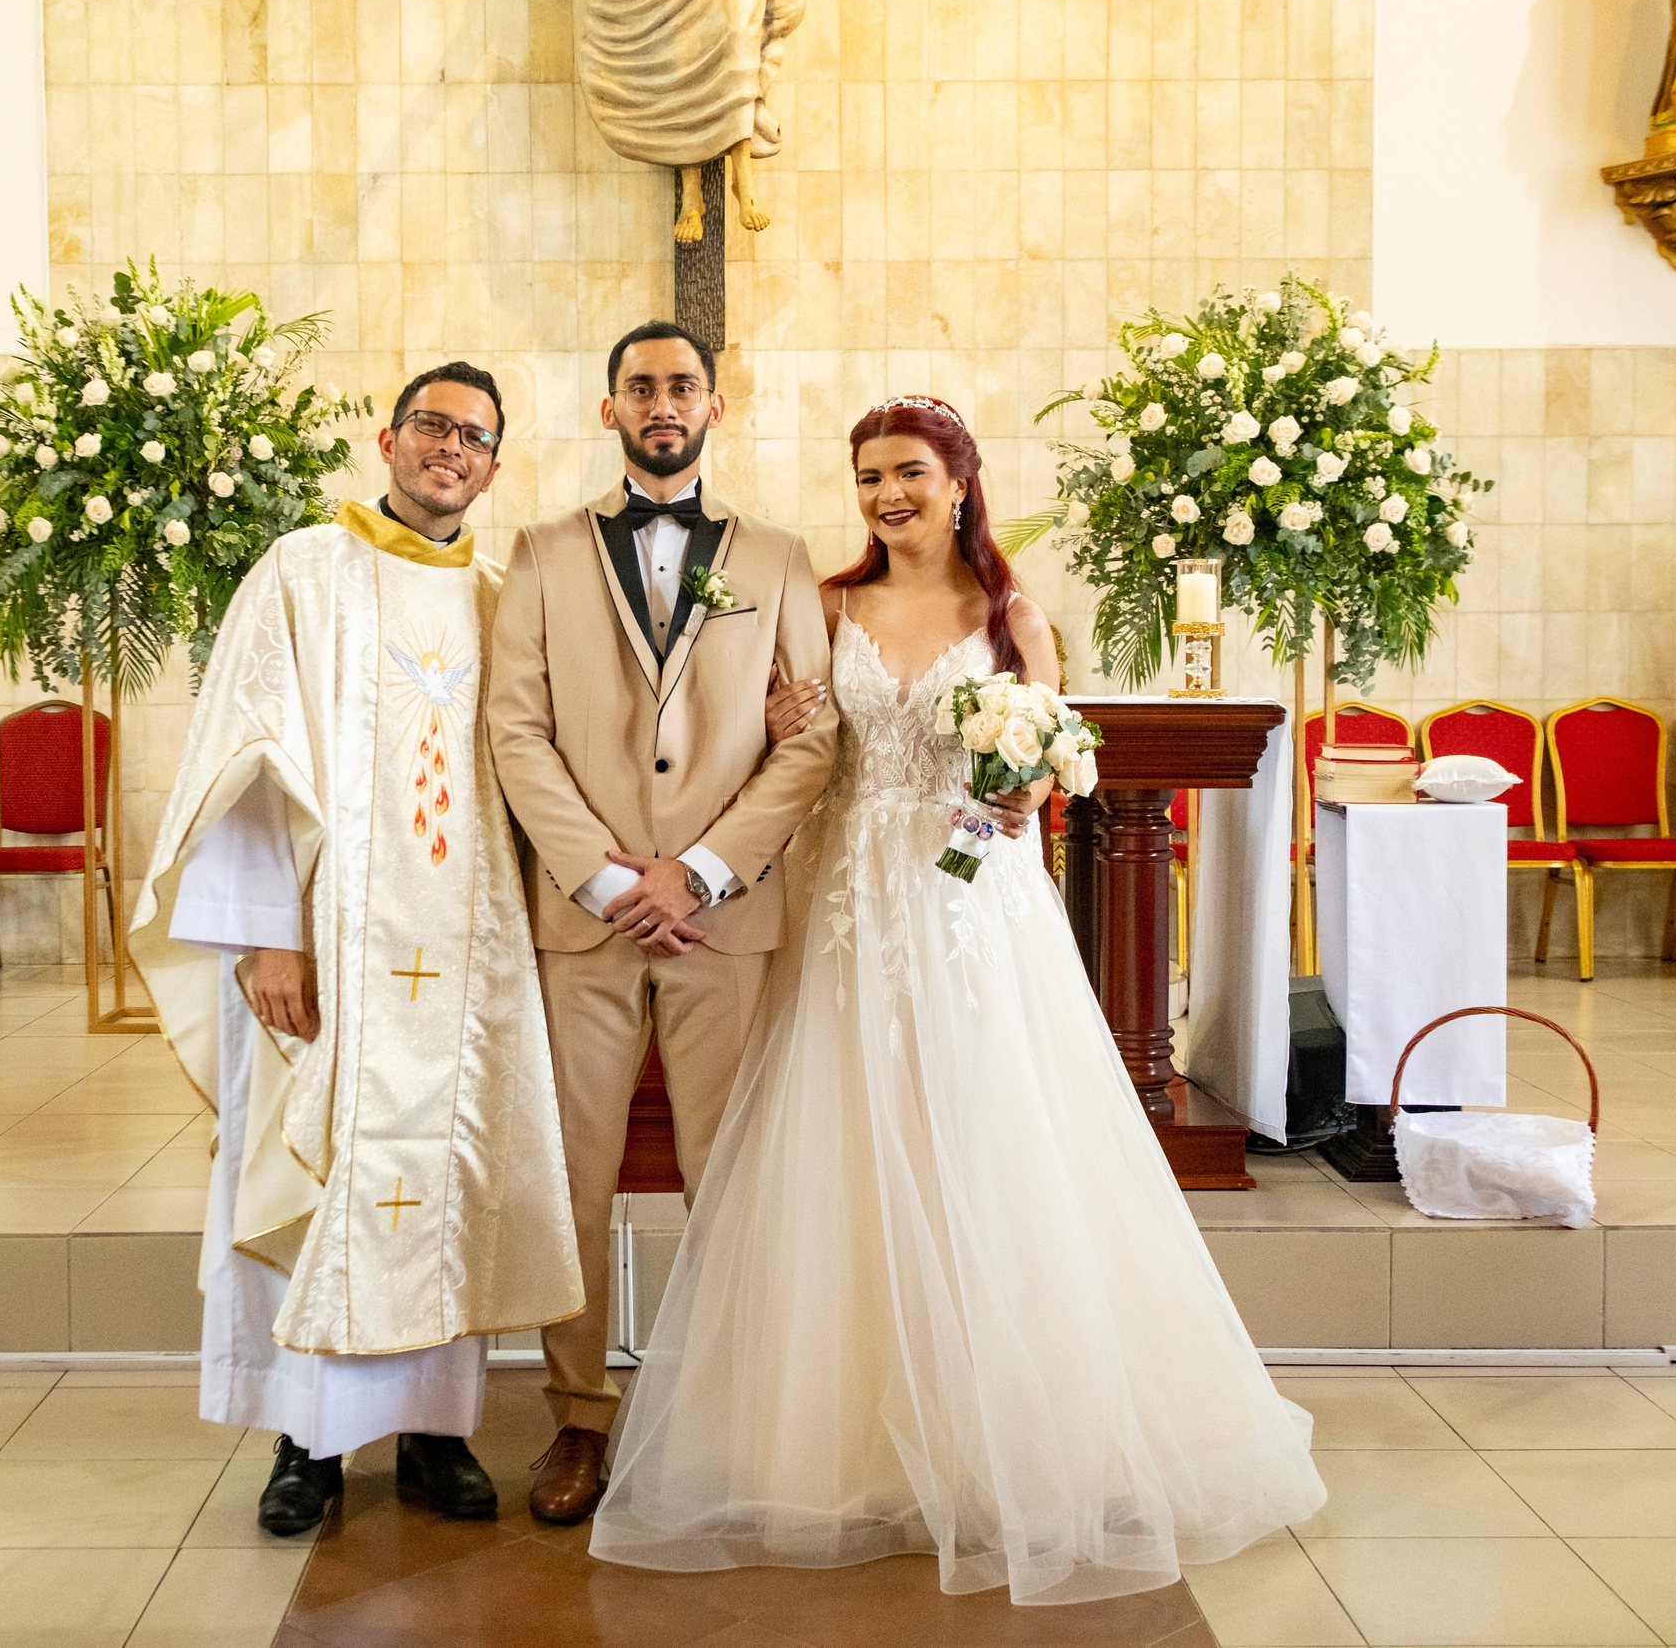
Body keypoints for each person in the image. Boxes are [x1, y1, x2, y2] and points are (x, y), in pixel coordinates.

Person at [587, 396, 1325, 1605]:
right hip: (846, 912)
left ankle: (1013, 1446)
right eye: (869, 474)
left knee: (988, 1148)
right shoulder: (826, 607)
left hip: (973, 911)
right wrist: (784, 718)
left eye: (910, 473)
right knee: (845, 1156)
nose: (887, 494)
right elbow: (794, 749)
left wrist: (1026, 782)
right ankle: (845, 1453)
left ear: (959, 482)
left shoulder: (1011, 616)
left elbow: (1050, 759)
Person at [125, 363, 581, 1535]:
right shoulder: (301, 570)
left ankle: (437, 1431)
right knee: (314, 1169)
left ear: (492, 464)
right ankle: (306, 1446)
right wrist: (272, 936)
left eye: (475, 438)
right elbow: (247, 762)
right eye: (432, 425)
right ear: (387, 437)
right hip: (320, 950)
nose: (450, 449)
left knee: (453, 1171)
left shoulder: (496, 594)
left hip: (467, 954)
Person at [485, 320, 839, 1525]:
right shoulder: (537, 554)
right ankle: (578, 1422)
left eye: (681, 385)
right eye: (639, 387)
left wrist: (694, 871)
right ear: (608, 411)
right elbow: (514, 730)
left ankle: (728, 1418)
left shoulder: (782, 559)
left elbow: (812, 741)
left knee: (729, 1175)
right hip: (584, 925)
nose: (661, 403)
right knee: (571, 1179)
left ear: (715, 407)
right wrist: (599, 876)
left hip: (720, 920)